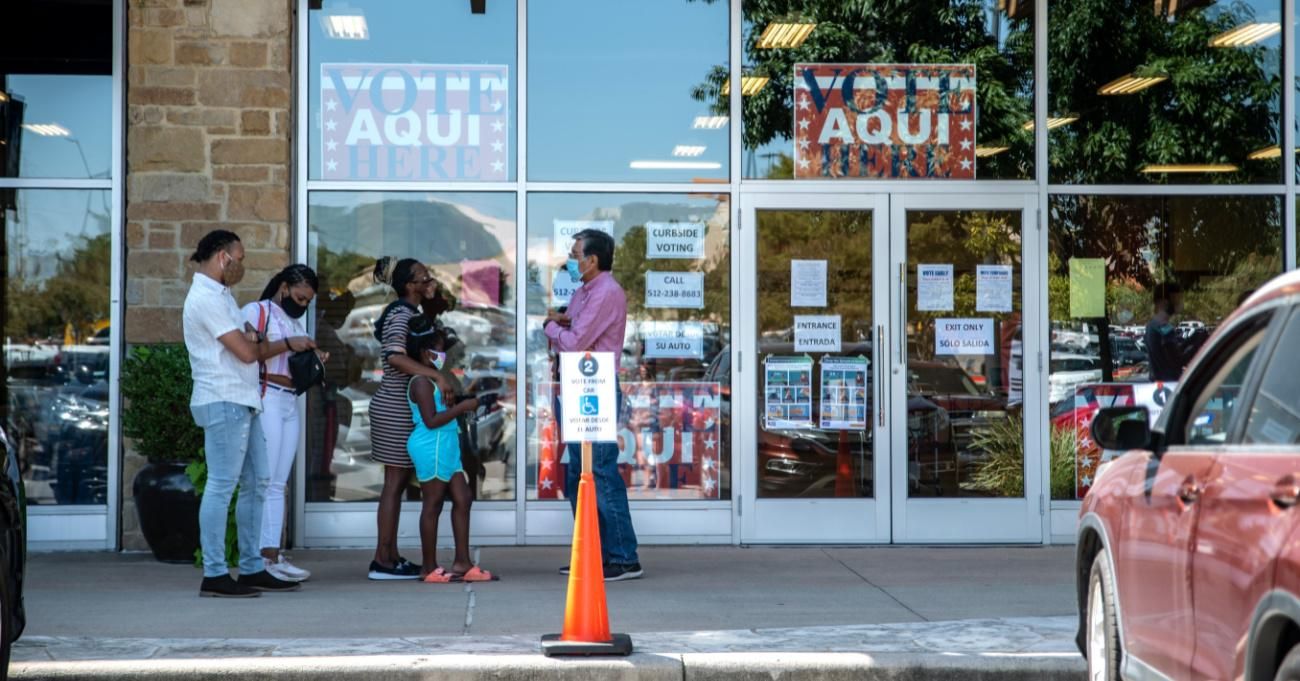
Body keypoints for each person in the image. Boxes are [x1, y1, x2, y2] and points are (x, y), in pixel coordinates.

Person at [183, 229, 312, 598]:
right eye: (240, 258)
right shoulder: (205, 298)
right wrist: (274, 344)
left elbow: (251, 342)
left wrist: (255, 341)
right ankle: (215, 573)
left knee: (258, 481)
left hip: (244, 398)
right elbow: (246, 352)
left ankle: (253, 566)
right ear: (223, 256)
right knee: (223, 485)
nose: (242, 265)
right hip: (223, 398)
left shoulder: (223, 295)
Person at [544, 229, 642, 582]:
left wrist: (550, 328)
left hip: (595, 388)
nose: (570, 260)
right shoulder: (584, 291)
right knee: (576, 474)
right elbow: (572, 323)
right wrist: (561, 323)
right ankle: (592, 553)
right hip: (574, 386)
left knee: (600, 471)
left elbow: (572, 340)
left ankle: (622, 556)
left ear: (592, 259)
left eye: (575, 253)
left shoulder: (606, 292)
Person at [241, 264, 325, 583]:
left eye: (308, 302)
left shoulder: (291, 319)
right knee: (265, 480)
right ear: (285, 287)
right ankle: (260, 558)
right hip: (268, 397)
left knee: (278, 482)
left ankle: (271, 554)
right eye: (300, 297)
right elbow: (249, 352)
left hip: (290, 399)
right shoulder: (257, 311)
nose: (302, 305)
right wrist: (292, 345)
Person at [367, 257, 447, 580]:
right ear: (409, 285)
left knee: (397, 483)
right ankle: (382, 560)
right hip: (394, 408)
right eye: (423, 277)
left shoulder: (410, 312)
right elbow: (395, 356)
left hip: (403, 407)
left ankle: (390, 555)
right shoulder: (401, 314)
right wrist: (435, 376)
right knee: (394, 483)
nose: (429, 280)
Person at [404, 316, 499, 583]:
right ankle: (428, 567)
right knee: (432, 504)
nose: (443, 355)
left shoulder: (438, 380)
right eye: (438, 349)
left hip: (446, 445)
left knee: (463, 498)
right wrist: (462, 408)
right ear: (424, 352)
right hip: (430, 445)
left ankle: (462, 562)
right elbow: (431, 420)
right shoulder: (421, 382)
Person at [1145, 282, 1199, 381]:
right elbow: (1177, 361)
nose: (1180, 303)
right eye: (1176, 299)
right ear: (1163, 302)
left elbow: (1172, 353)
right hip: (1168, 385)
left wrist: (1190, 341)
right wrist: (1196, 346)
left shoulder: (1152, 325)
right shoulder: (1163, 328)